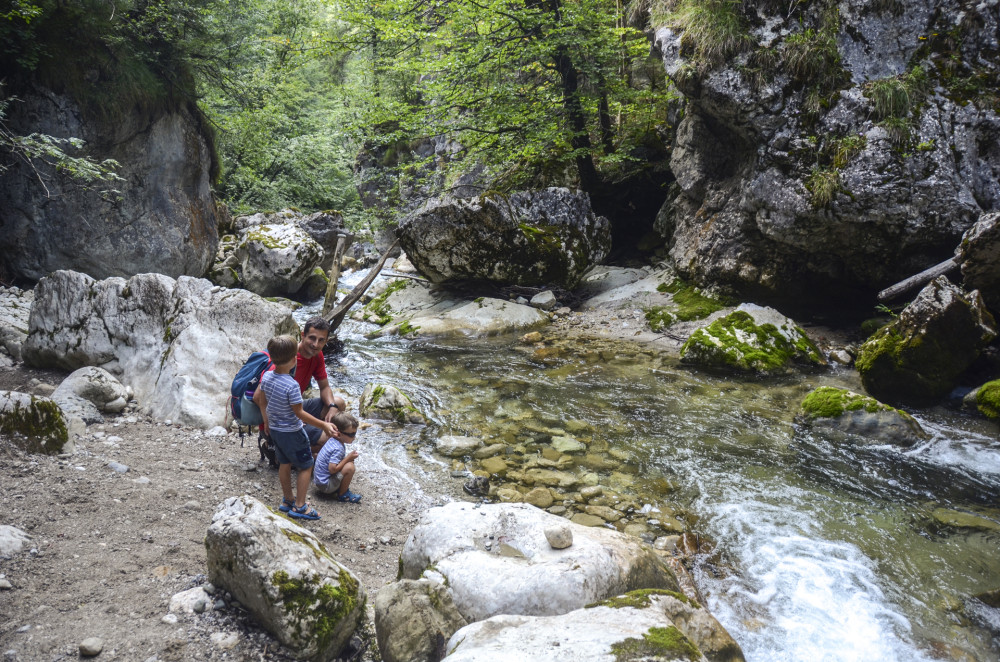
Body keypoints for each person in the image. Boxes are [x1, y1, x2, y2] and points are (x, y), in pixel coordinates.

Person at [259, 334, 335, 520]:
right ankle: (300, 506)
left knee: (284, 463)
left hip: (276, 430)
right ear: (294, 360)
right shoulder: (291, 385)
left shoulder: (268, 376)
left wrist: (267, 420)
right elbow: (299, 413)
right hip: (292, 431)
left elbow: (261, 398)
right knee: (306, 466)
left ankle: (287, 500)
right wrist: (323, 424)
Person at [255, 316, 346, 456]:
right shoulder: (286, 359)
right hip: (280, 422)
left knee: (338, 403)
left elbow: (324, 387)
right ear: (303, 336)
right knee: (329, 439)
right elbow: (257, 397)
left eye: (321, 340)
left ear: (326, 341)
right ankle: (275, 448)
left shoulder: (317, 356)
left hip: (296, 410)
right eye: (312, 338)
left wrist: (332, 407)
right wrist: (279, 420)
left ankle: (297, 448)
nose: (316, 344)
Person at [313, 411, 362, 503]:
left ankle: (339, 488)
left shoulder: (332, 440)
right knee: (350, 467)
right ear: (339, 434)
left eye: (355, 433)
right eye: (351, 434)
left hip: (320, 481)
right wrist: (348, 458)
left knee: (348, 463)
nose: (354, 437)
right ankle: (343, 494)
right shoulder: (338, 448)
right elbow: (332, 469)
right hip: (325, 486)